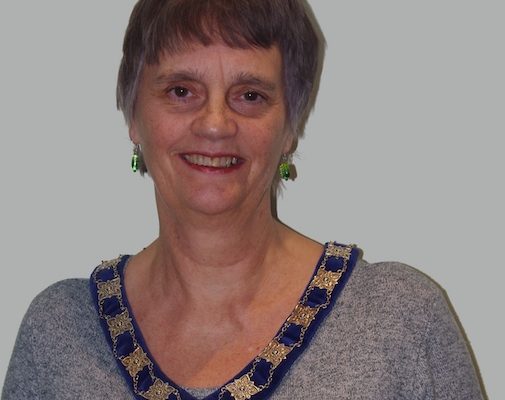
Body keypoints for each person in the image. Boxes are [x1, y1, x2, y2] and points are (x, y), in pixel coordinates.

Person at [2, 0, 485, 399]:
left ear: (290, 126)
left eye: (250, 95)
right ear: (134, 116)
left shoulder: (398, 323)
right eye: (181, 90)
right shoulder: (59, 333)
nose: (215, 124)